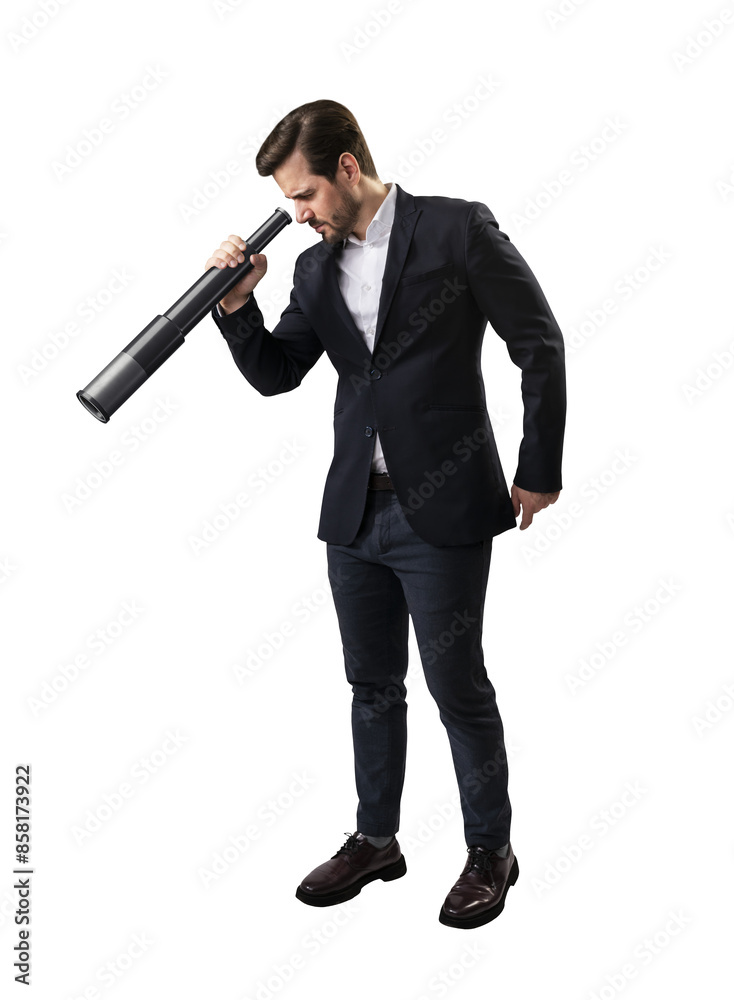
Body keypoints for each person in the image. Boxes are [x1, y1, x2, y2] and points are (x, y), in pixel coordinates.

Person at [206, 100, 566, 929]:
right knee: (371, 686)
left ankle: (490, 851)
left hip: (441, 508)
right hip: (353, 515)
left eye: (303, 196)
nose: (296, 216)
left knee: (456, 686)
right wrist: (236, 306)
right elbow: (276, 373)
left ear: (346, 168)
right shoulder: (311, 268)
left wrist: (537, 467)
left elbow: (538, 343)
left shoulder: (456, 229)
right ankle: (377, 841)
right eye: (287, 204)